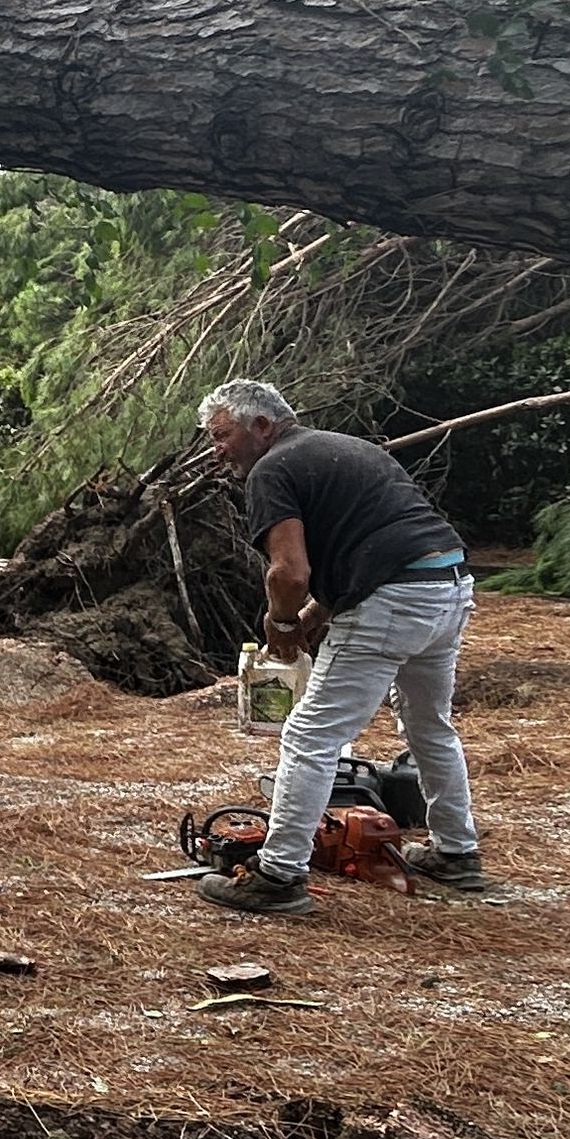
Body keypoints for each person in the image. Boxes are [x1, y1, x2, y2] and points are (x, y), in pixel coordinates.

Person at [193, 378, 485, 913]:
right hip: (447, 587)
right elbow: (365, 550)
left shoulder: (272, 468)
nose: (217, 451)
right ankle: (457, 853)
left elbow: (289, 571)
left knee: (310, 734)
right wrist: (308, 619)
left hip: (393, 600)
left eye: (222, 435)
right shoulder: (348, 449)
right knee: (429, 724)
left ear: (261, 426)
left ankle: (278, 877)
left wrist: (281, 624)